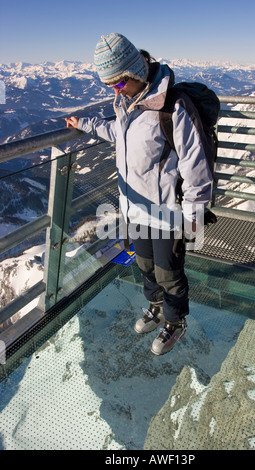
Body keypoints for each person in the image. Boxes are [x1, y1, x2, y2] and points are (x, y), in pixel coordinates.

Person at [66, 33, 213, 356]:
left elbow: (195, 163)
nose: (114, 91)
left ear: (135, 72)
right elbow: (119, 133)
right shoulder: (127, 104)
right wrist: (85, 124)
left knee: (168, 270)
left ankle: (175, 322)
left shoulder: (172, 107)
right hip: (135, 208)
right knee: (145, 265)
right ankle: (156, 307)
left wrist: (194, 214)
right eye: (109, 86)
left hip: (167, 211)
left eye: (117, 84)